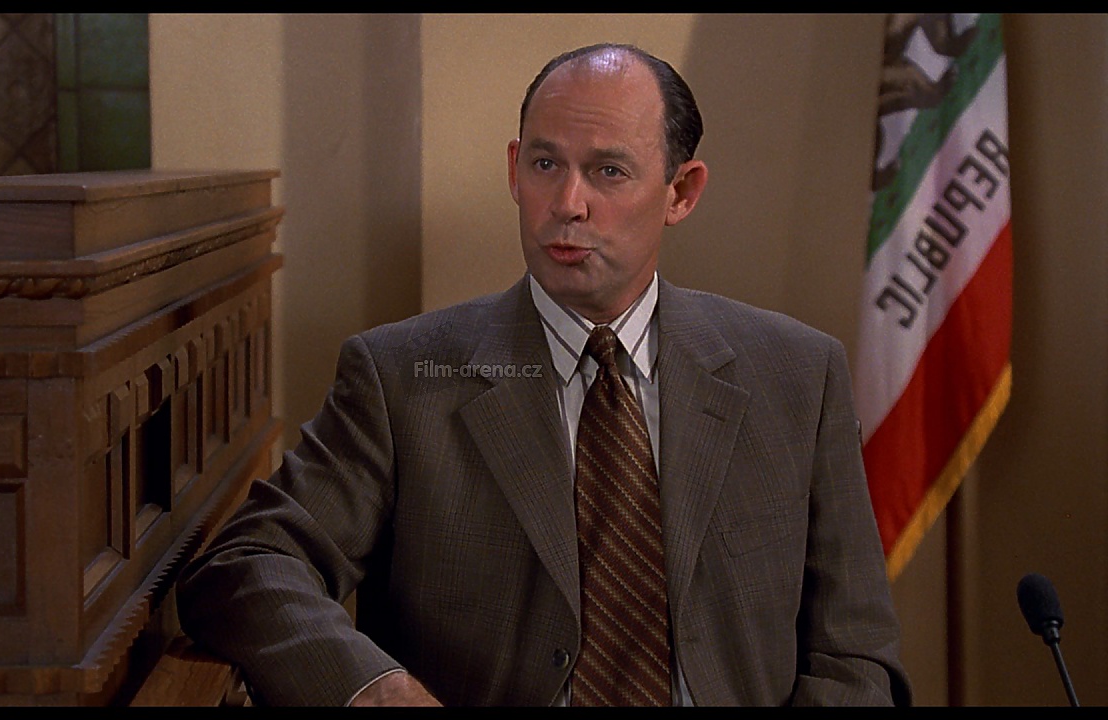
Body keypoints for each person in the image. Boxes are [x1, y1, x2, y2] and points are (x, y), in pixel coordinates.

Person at [176, 42, 912, 707]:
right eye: (545, 164)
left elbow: (855, 657)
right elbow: (246, 565)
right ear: (513, 170)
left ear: (681, 193)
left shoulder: (796, 375)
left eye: (609, 172)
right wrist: (374, 689)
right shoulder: (401, 378)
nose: (567, 204)